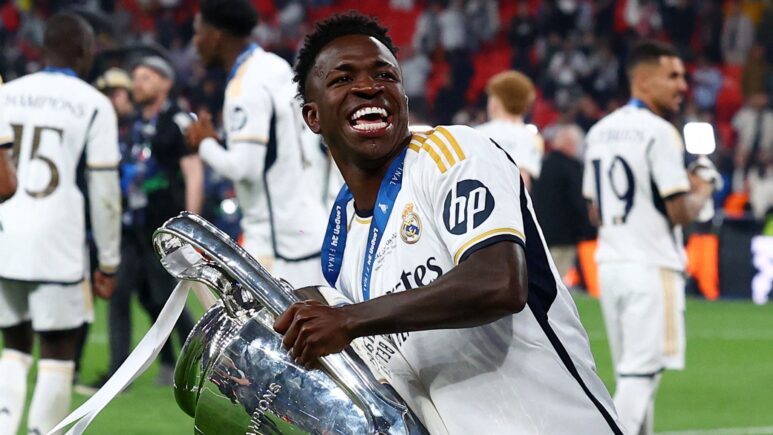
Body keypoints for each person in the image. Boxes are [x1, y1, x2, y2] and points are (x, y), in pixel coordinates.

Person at [273, 13, 622, 434]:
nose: (369, 87)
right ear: (312, 117)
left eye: (385, 75)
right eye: (343, 79)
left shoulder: (451, 153)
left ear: (403, 97)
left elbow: (498, 282)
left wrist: (348, 319)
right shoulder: (342, 238)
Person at [582, 40, 717, 435]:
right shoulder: (660, 132)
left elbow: (594, 211)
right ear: (643, 80)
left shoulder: (599, 132)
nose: (683, 86)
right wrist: (705, 186)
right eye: (672, 76)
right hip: (652, 265)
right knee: (640, 379)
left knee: (635, 375)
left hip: (612, 265)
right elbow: (680, 211)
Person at [0, 13, 121, 435]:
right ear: (85, 51)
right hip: (57, 241)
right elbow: (105, 191)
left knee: (13, 345)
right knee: (58, 348)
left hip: (5, 235)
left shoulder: (7, 92)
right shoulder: (94, 103)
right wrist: (108, 262)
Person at [186, 0, 327, 288]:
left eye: (198, 32)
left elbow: (244, 168)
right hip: (311, 226)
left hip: (276, 246)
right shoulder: (276, 66)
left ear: (216, 35)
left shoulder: (245, 85)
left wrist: (204, 145)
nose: (195, 43)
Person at [100, 56, 202, 386]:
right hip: (132, 226)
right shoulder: (133, 124)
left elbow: (193, 172)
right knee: (122, 295)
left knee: (163, 299)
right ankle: (118, 375)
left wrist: (190, 225)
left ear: (165, 82)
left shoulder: (177, 121)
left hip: (163, 227)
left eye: (146, 77)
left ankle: (199, 360)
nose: (138, 83)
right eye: (137, 77)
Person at [532, 124, 595, 279]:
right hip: (564, 237)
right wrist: (589, 231)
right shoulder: (571, 168)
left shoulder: (540, 164)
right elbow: (578, 203)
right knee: (558, 279)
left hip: (540, 235)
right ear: (570, 144)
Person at [475, 70, 543, 190]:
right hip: (508, 198)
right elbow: (523, 179)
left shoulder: (477, 133)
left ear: (495, 102)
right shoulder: (532, 138)